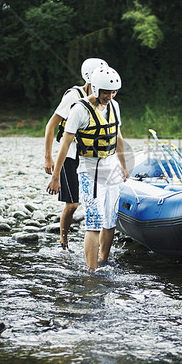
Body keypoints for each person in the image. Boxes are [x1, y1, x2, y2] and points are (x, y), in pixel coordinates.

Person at [46, 66, 129, 271]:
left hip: (111, 168)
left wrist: (124, 167)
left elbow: (117, 137)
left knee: (110, 219)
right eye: (106, 92)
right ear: (96, 88)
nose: (109, 96)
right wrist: (56, 176)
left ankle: (103, 261)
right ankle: (92, 272)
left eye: (113, 92)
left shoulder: (114, 106)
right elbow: (65, 145)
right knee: (94, 221)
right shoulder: (79, 110)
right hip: (89, 169)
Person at [44, 58, 108, 252]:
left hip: (92, 157)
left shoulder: (104, 100)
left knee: (97, 202)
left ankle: (98, 242)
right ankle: (63, 242)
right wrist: (48, 158)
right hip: (71, 156)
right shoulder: (74, 96)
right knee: (72, 205)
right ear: (90, 78)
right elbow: (51, 125)